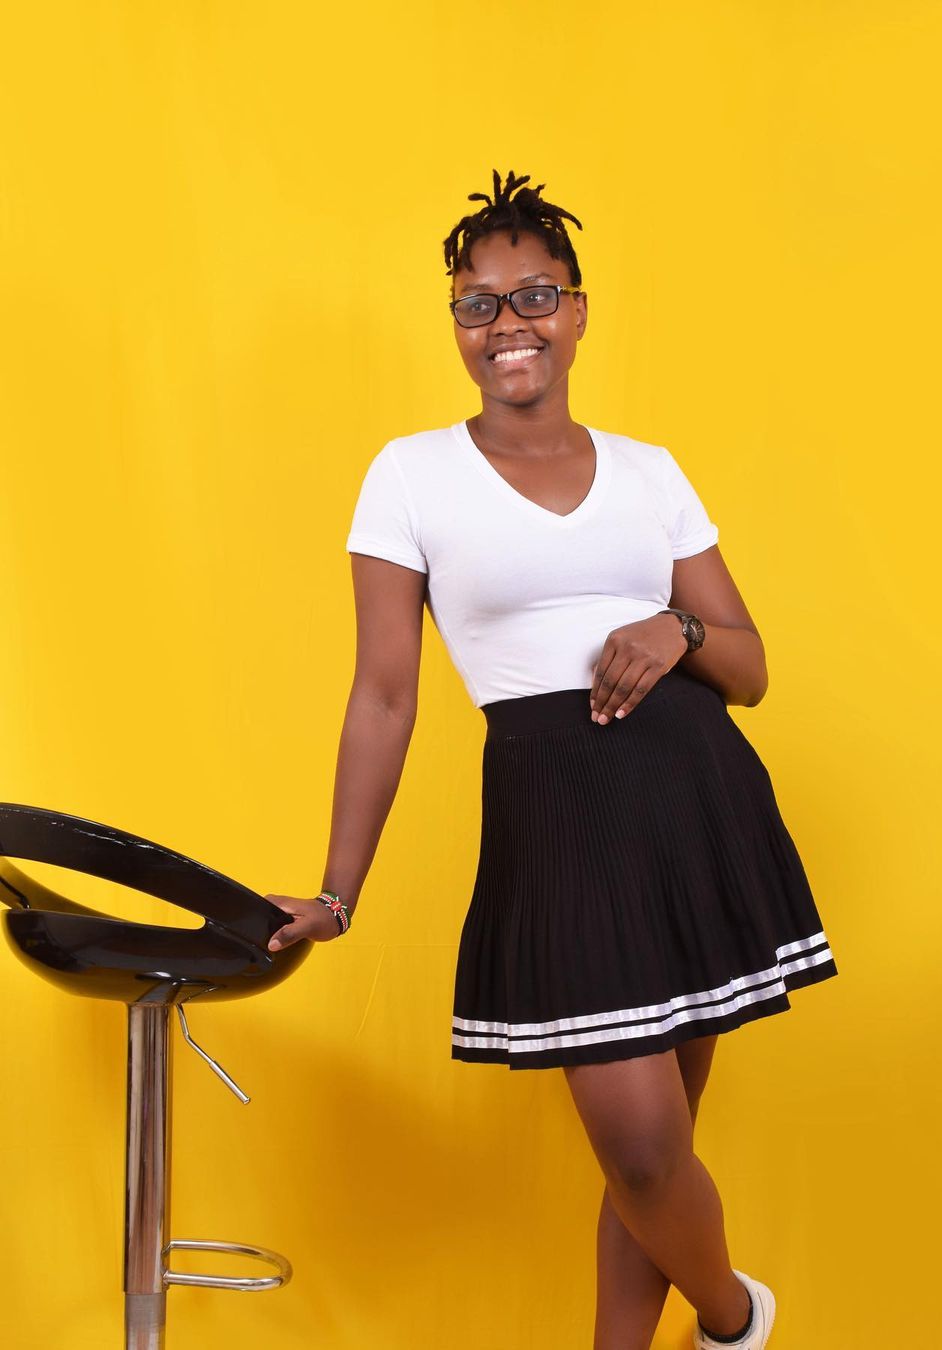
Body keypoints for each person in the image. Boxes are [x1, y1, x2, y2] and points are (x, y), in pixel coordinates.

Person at [264, 168, 839, 1350]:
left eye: (533, 296)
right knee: (642, 1150)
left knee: (656, 1153)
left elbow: (748, 665)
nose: (507, 323)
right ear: (456, 326)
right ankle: (737, 1321)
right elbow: (384, 695)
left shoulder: (650, 470)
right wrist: (337, 893)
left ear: (577, 311)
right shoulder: (410, 474)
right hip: (558, 818)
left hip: (692, 802)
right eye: (477, 304)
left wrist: (675, 630)